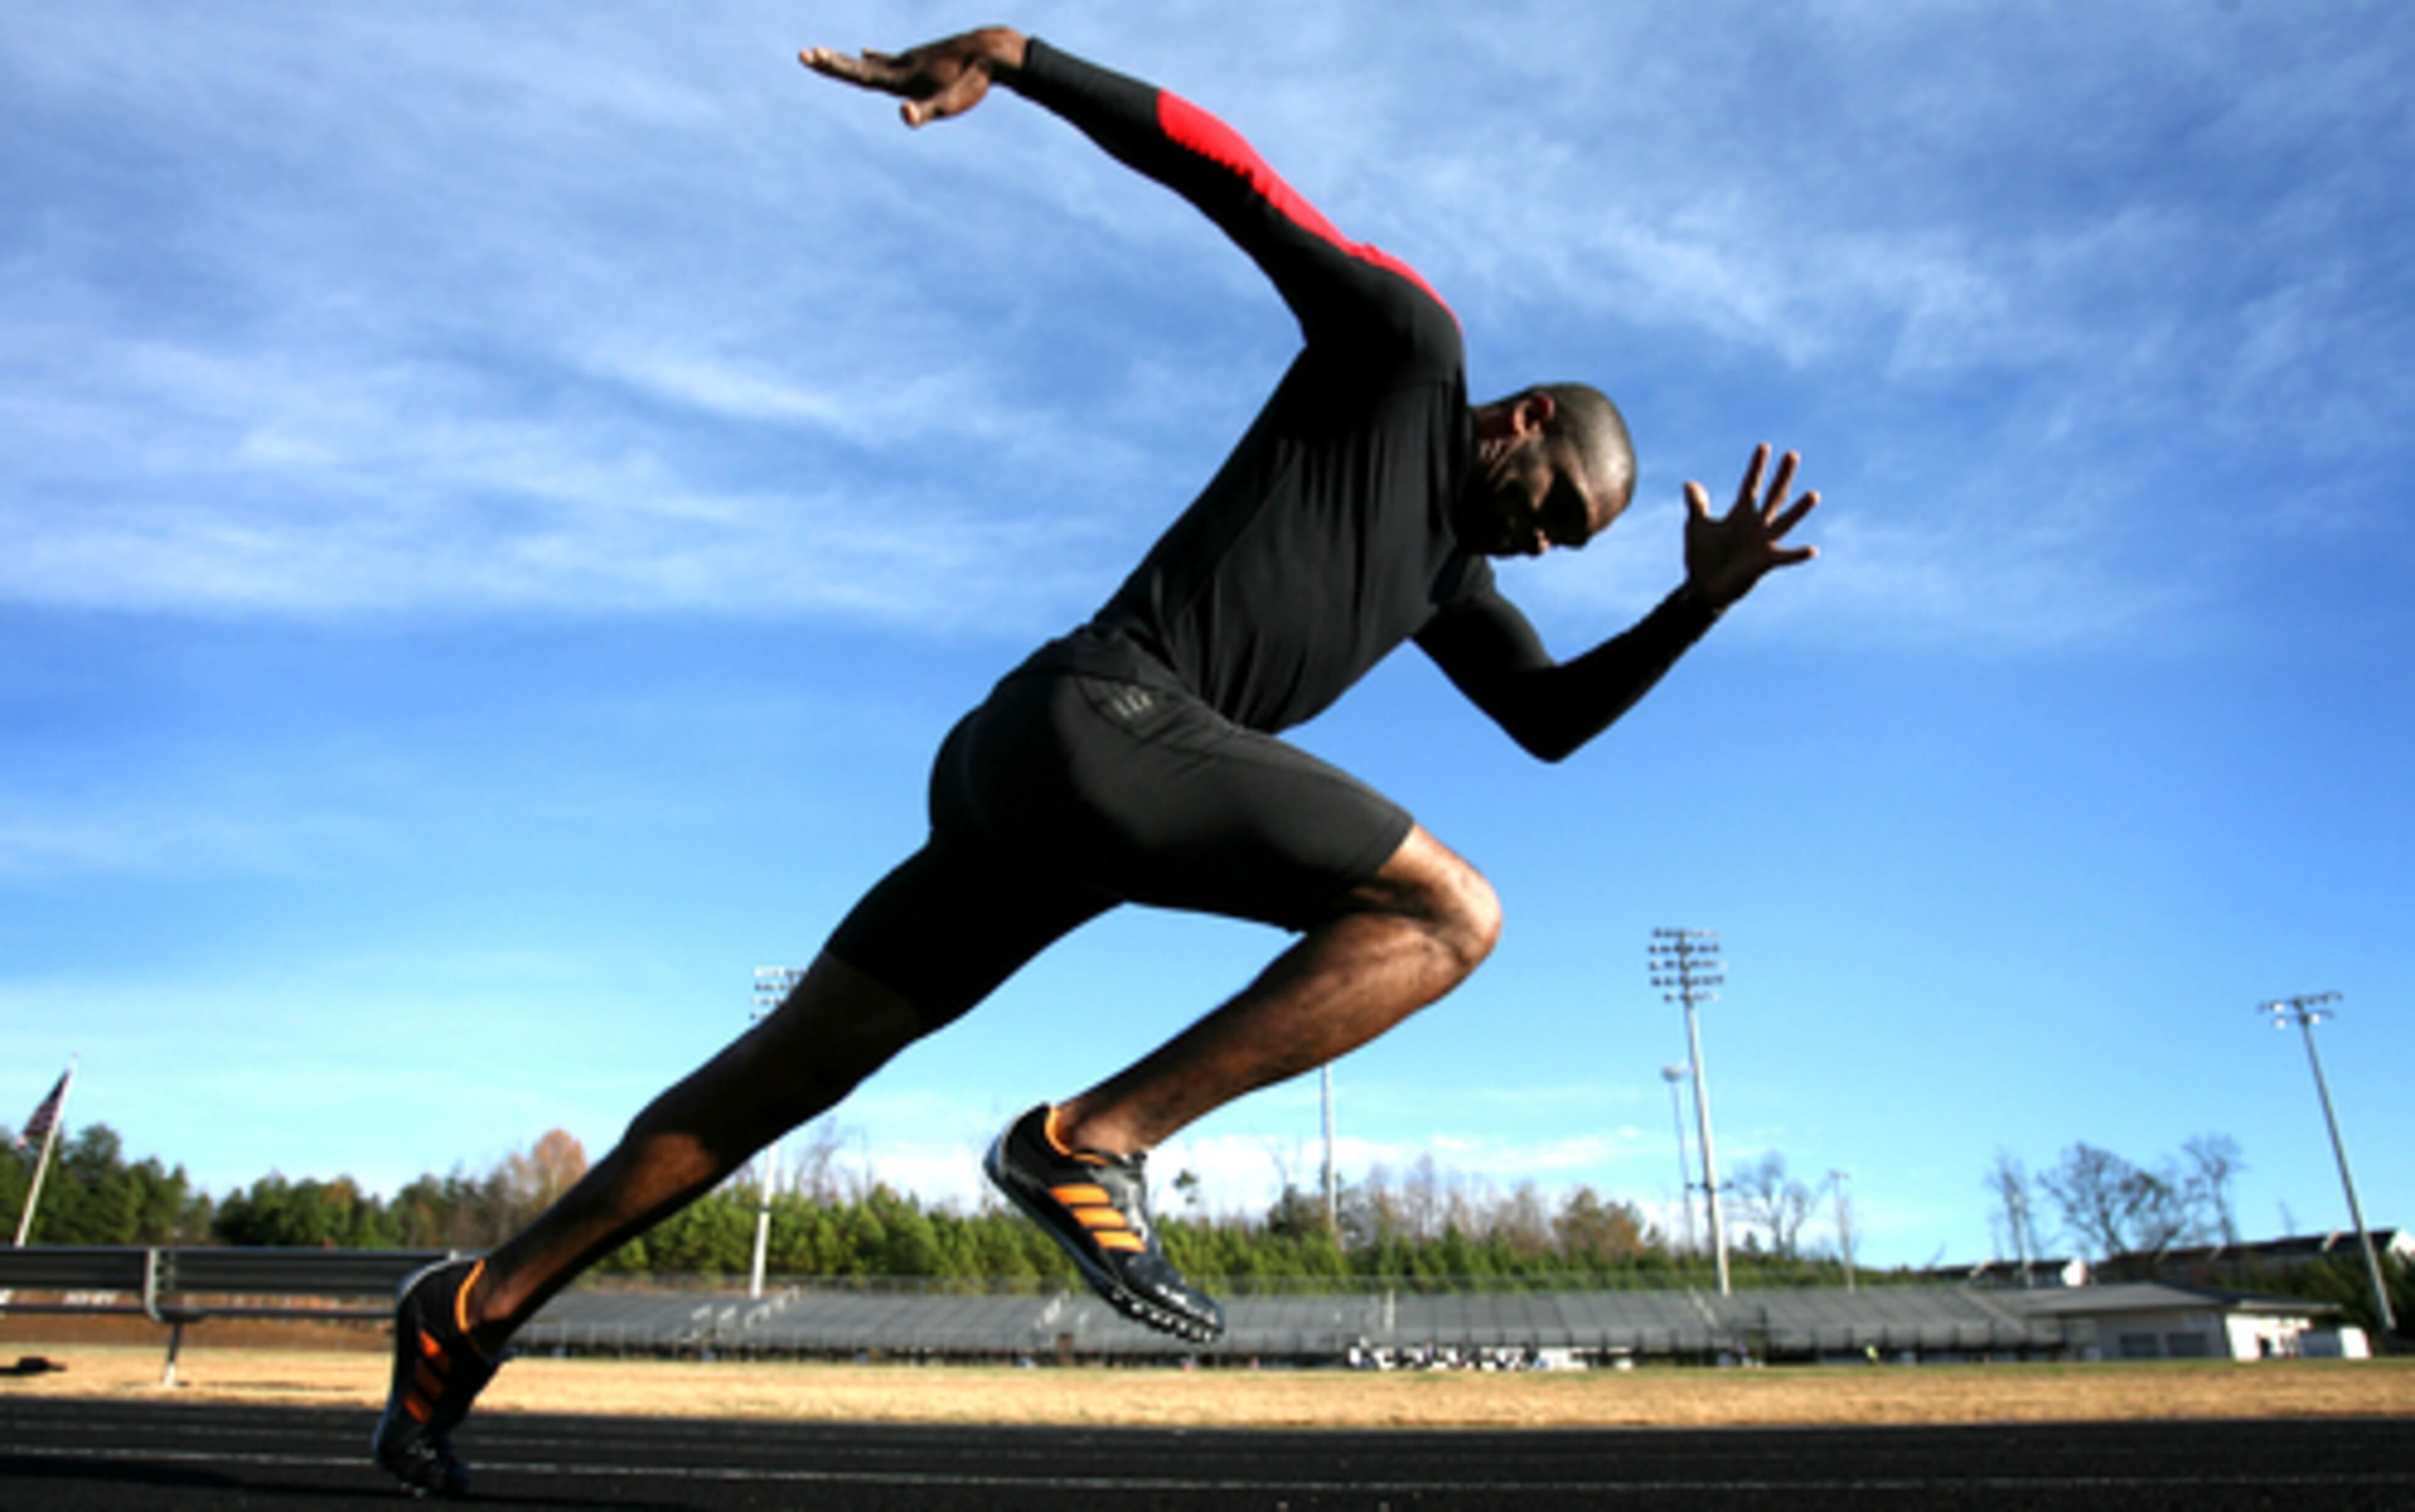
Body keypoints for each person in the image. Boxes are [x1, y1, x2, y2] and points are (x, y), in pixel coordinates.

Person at [374, 23, 1819, 1496]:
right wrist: (1016, 55)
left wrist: (1697, 604)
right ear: (1523, 422)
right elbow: (1241, 182)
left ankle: (471, 1309)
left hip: (1031, 789)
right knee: (1454, 912)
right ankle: (1089, 1143)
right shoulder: (1405, 356)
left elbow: (1552, 722)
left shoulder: (1450, 586)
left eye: (1564, 546)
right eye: (1555, 512)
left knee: (784, 1072)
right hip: (1097, 716)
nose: (1543, 544)